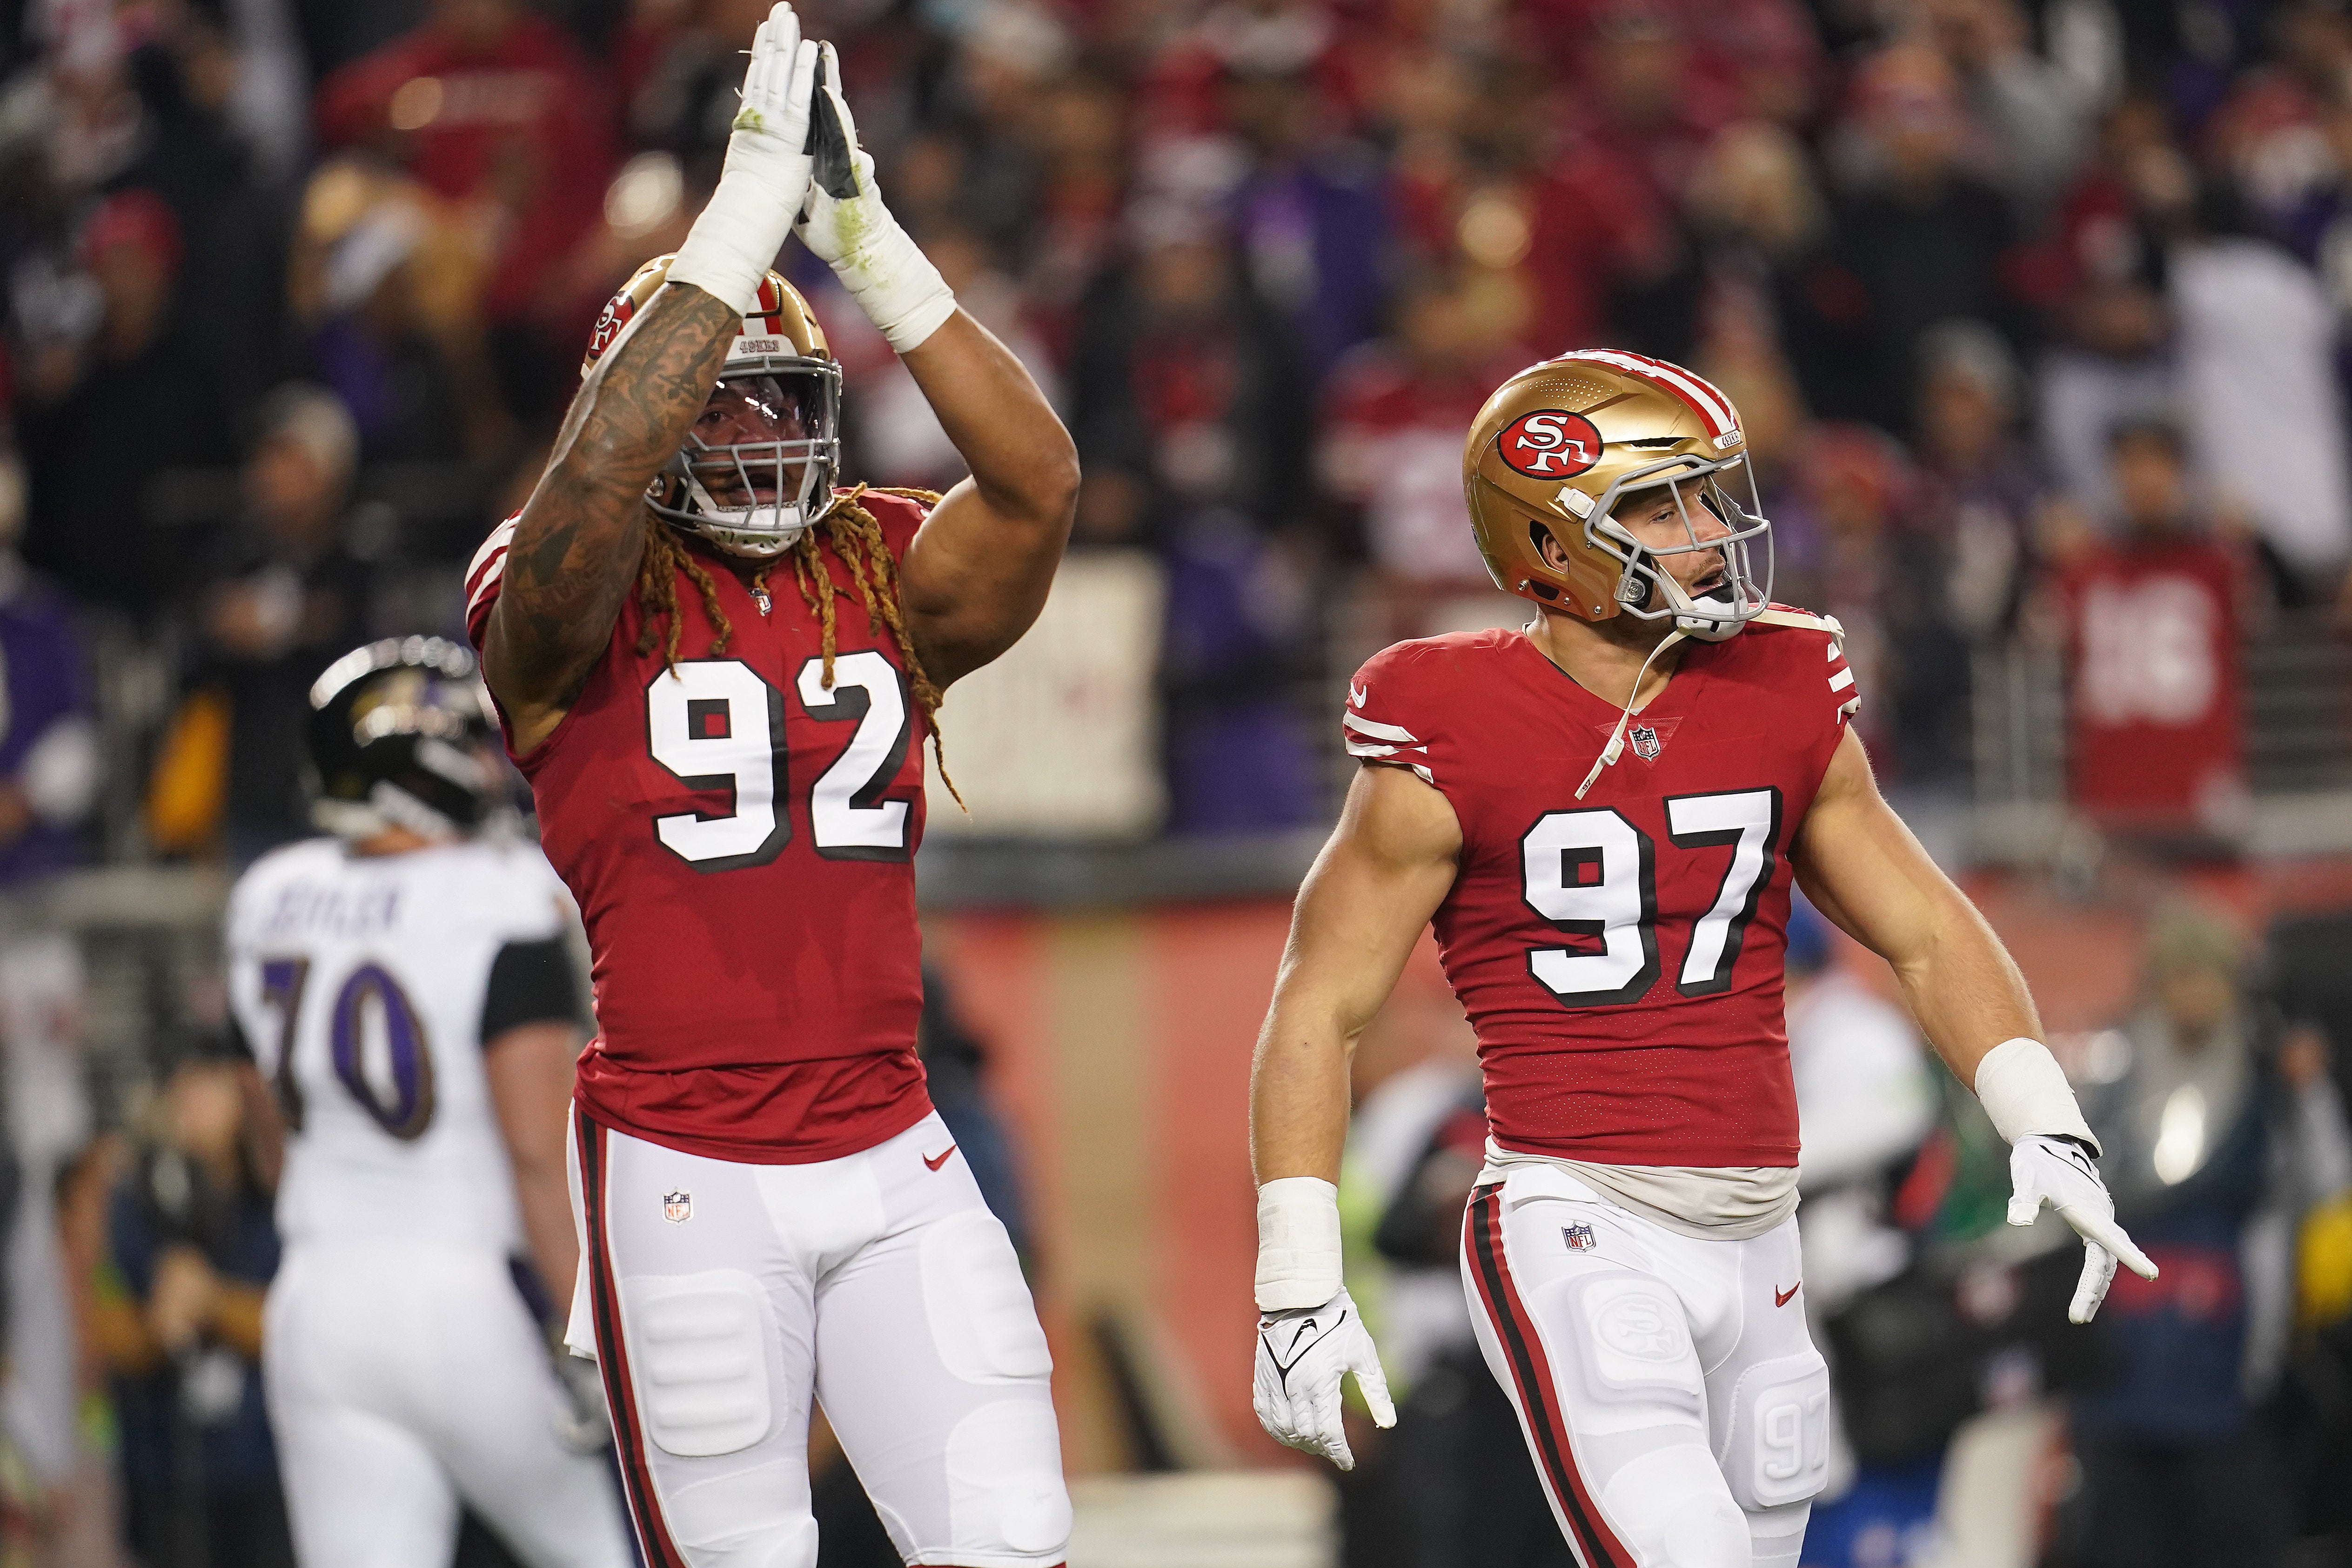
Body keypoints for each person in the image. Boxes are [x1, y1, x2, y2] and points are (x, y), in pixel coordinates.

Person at [1245, 350, 2157, 1568]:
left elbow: (1927, 927)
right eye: (1659, 506)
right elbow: (1318, 1005)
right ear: (1549, 544)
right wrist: (1298, 1275)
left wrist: (2043, 1117)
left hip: (1763, 1233)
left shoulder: (1779, 682)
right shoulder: (1448, 718)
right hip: (1577, 1213)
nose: (1708, 531)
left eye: (1707, 496)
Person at [462, 8, 1079, 1565]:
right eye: (711, 404)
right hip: (688, 1172)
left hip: (895, 1148)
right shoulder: (566, 591)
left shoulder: (872, 558)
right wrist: (732, 227)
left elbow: (1038, 484)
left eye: (778, 403)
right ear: (642, 417)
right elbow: (583, 504)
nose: (752, 439)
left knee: (1014, 1540)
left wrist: (873, 251)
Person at [221, 637, 632, 1568]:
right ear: (417, 762)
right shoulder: (498, 898)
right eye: (471, 745)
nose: (489, 768)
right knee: (608, 1550)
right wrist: (588, 1333)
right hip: (463, 1297)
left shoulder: (269, 897)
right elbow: (537, 1153)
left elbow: (269, 1140)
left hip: (317, 1297)